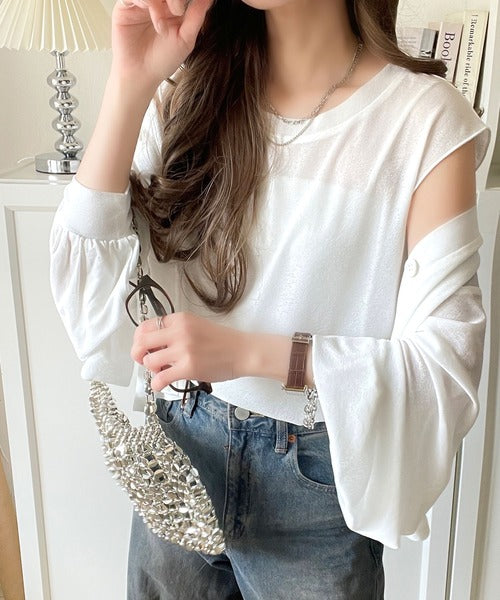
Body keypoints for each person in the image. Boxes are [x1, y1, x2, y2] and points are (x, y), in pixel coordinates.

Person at [49, 0, 491, 598]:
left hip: (313, 485)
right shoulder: (190, 91)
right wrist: (131, 81)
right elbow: (86, 289)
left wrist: (251, 354)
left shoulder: (424, 123)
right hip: (180, 450)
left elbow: (443, 367)